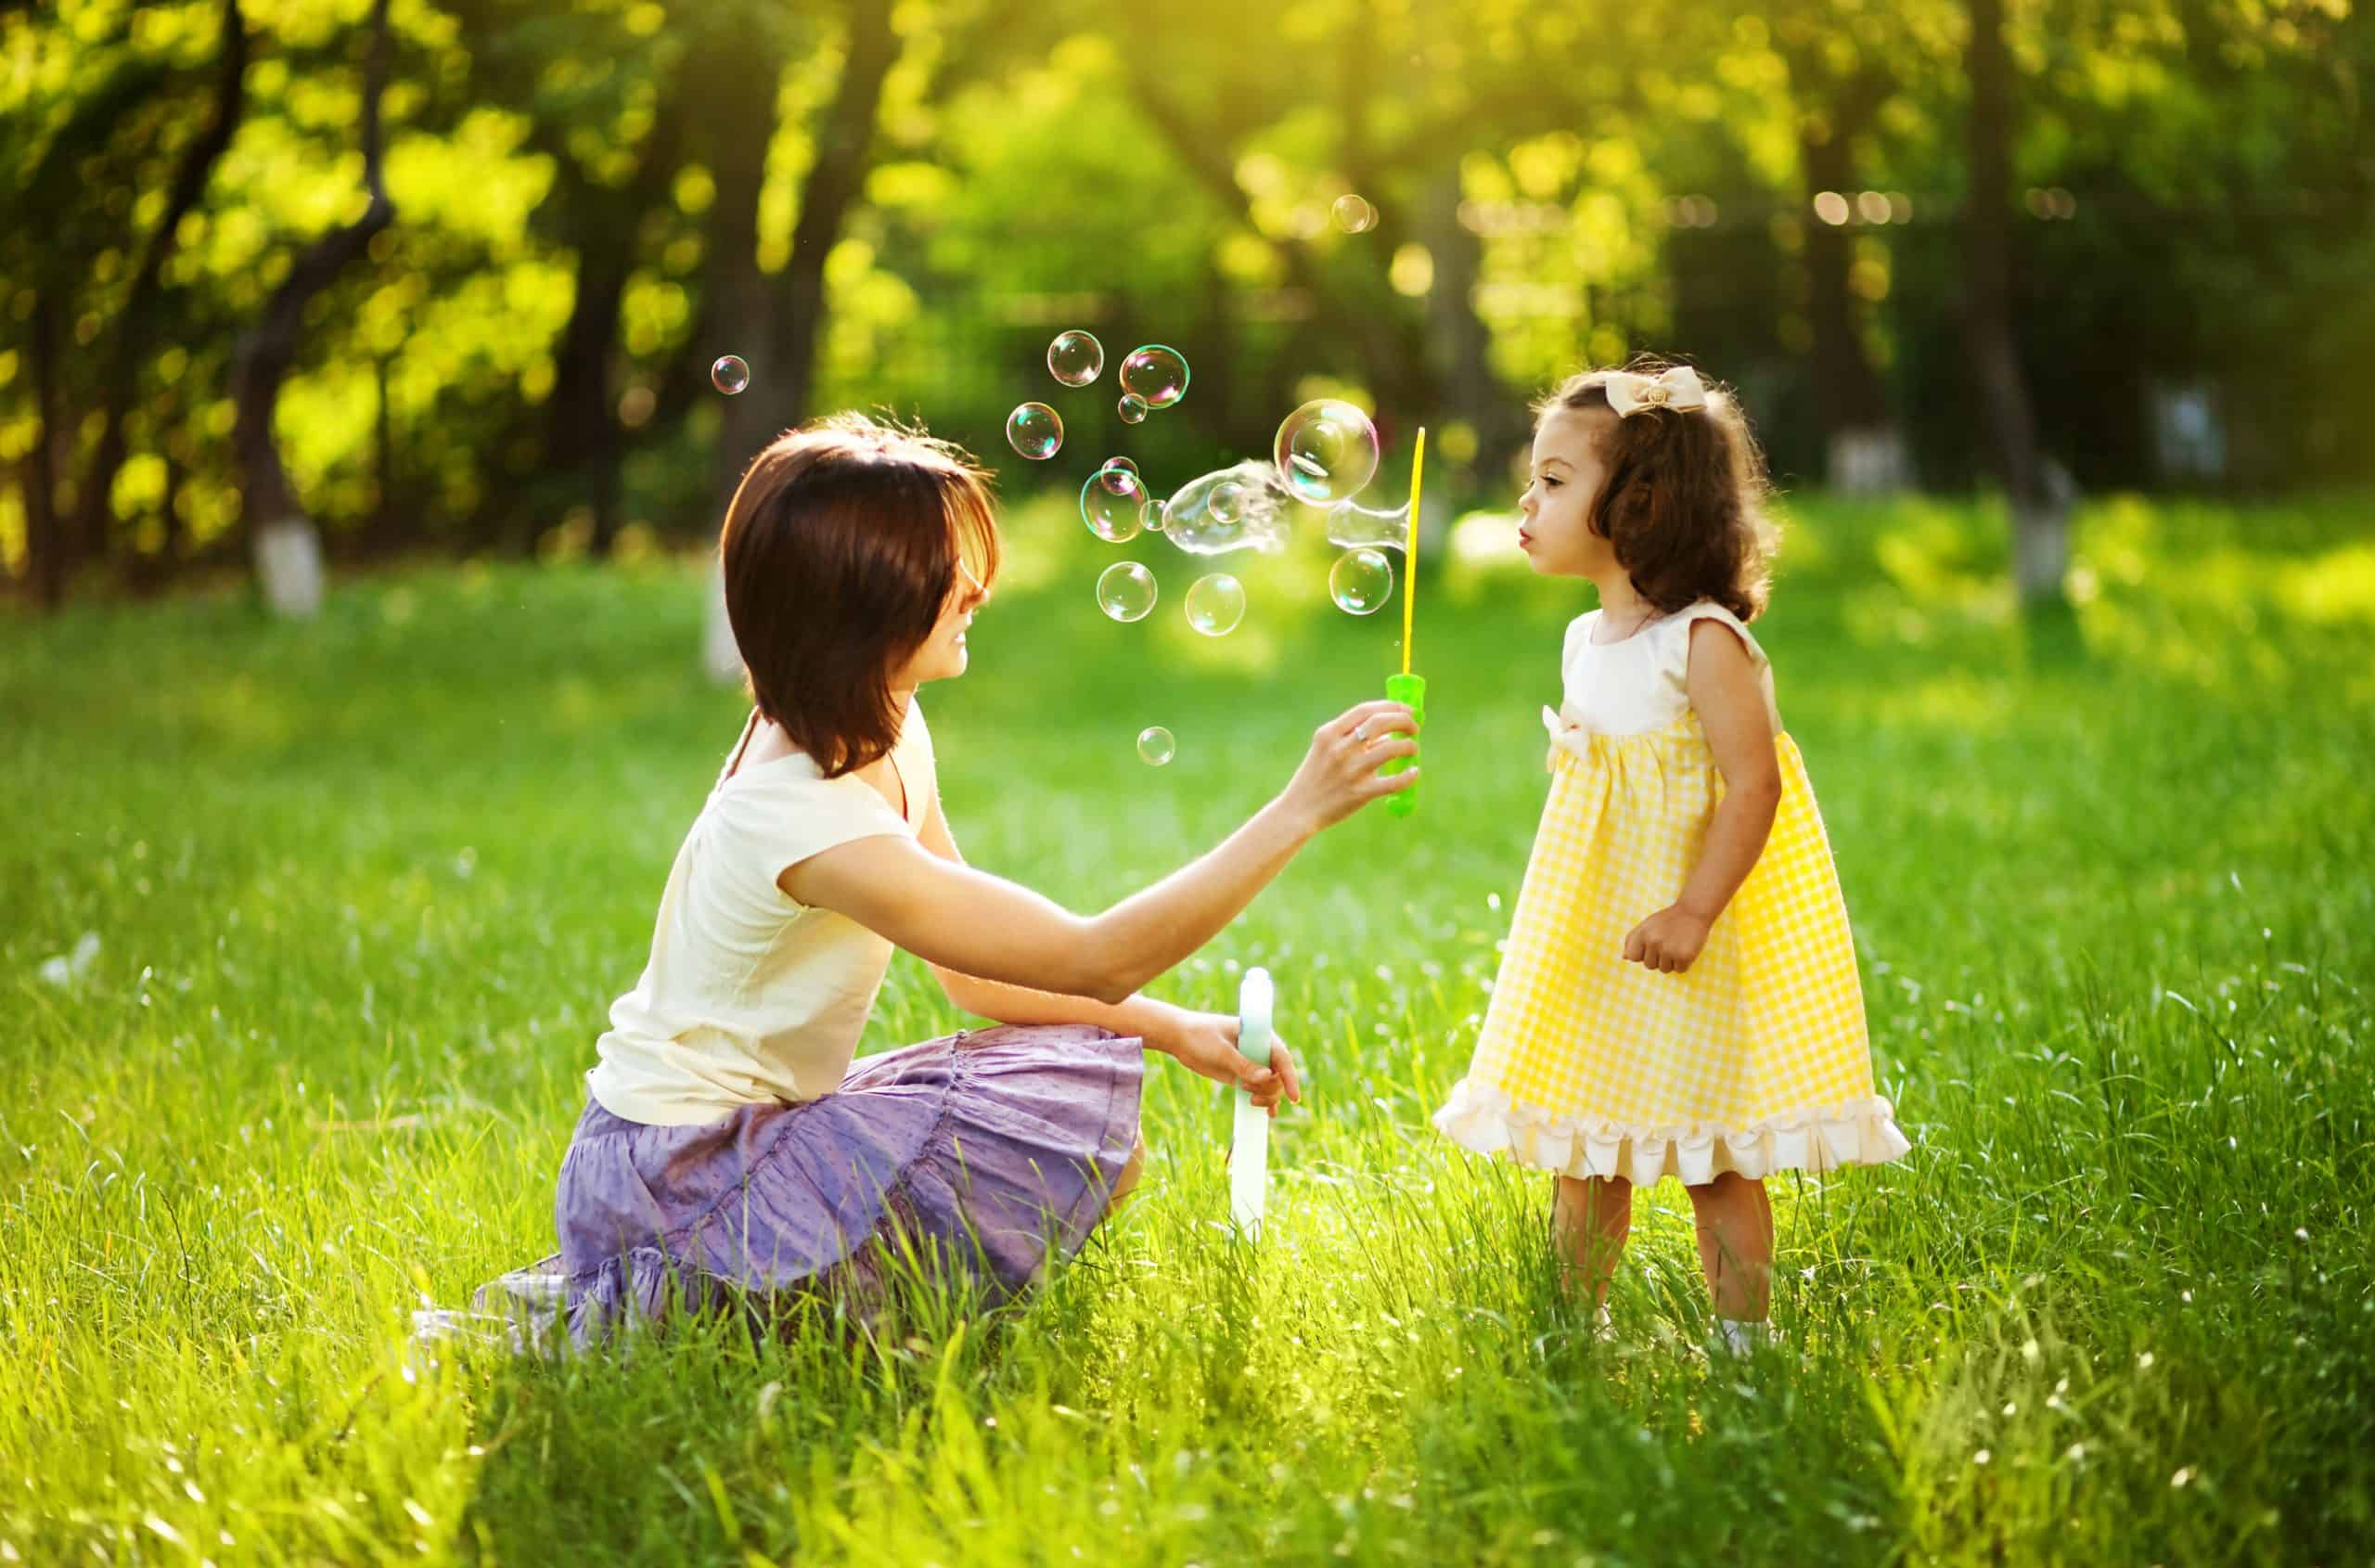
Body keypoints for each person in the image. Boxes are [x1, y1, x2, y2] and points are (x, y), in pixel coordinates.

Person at [484, 413, 1419, 1345]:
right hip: (675, 1176)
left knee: (1083, 1138)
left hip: (752, 1126)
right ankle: (710, 1320)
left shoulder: (878, 721)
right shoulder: (805, 817)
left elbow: (979, 979)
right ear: (863, 611)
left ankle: (810, 1322)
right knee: (1030, 1177)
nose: (975, 590)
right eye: (944, 574)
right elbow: (1090, 959)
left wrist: (1174, 1029)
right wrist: (1296, 810)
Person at [1431, 362, 1909, 1355]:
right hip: (1599, 938)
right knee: (1585, 1148)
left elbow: (1755, 784)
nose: (1528, 500)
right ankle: (1577, 1331)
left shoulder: (1701, 641)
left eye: (1556, 481)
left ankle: (1743, 1348)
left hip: (1689, 939)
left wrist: (1693, 910)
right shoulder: (1582, 638)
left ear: (1639, 501)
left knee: (1715, 1159)